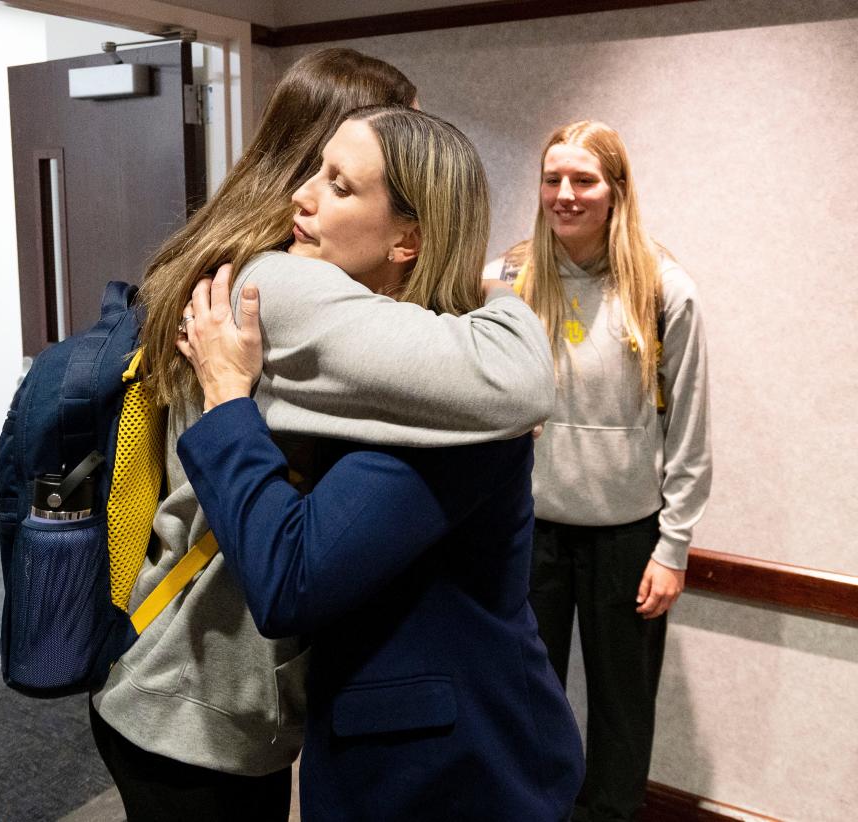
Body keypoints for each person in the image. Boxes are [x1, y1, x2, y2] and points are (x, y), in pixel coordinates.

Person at [89, 49, 556, 822]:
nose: (310, 197)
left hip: (196, 679)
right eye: (328, 172)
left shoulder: (243, 263)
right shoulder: (285, 285)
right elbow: (517, 379)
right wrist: (499, 292)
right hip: (196, 695)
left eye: (342, 184)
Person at [484, 120, 712, 821]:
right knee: (525, 704)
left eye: (582, 180)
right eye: (553, 179)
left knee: (621, 715)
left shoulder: (665, 290)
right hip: (531, 534)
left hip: (628, 539)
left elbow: (691, 432)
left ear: (616, 190)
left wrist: (672, 549)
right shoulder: (509, 278)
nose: (565, 194)